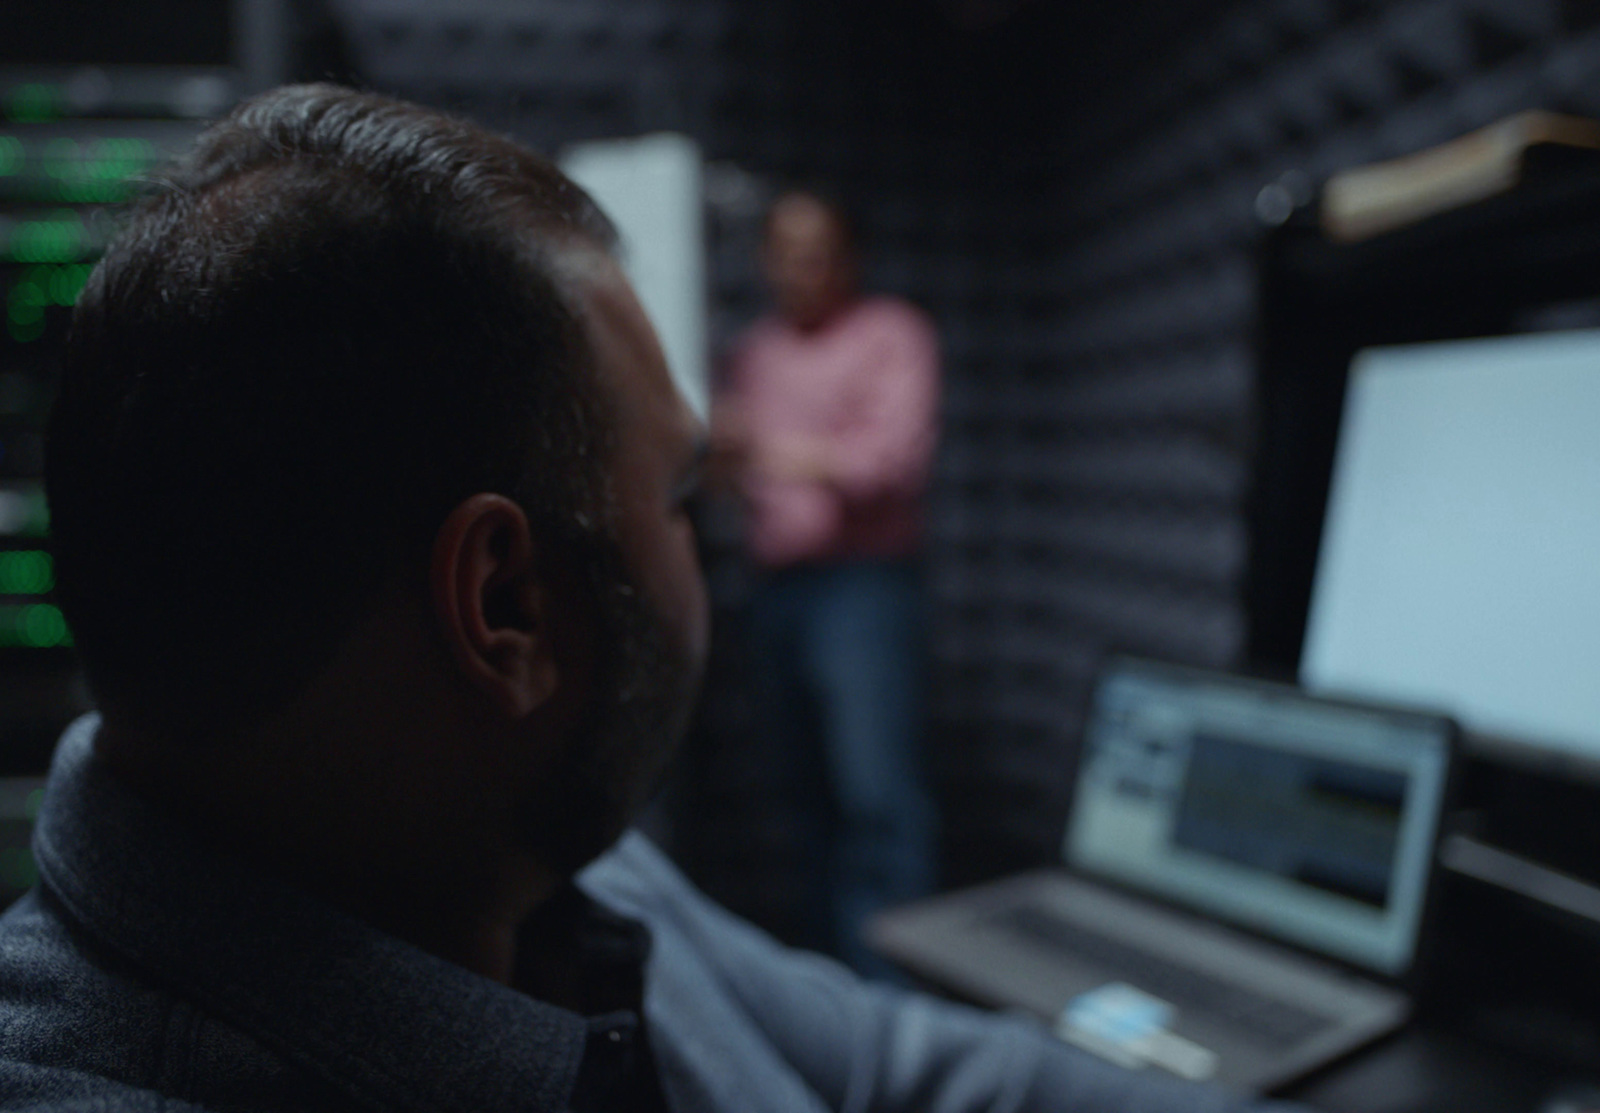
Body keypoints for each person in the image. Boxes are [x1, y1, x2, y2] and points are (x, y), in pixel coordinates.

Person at [0, 85, 1287, 1113]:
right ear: (505, 608)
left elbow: (903, 1063)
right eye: (675, 495)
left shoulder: (533, 859)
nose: (693, 535)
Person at [714, 191, 940, 975]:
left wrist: (765, 451)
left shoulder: (891, 334)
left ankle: (892, 1001)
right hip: (775, 592)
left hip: (863, 589)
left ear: (848, 256)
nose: (800, 268)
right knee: (802, 800)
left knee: (877, 802)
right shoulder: (753, 352)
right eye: (785, 249)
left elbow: (888, 464)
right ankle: (829, 992)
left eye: (817, 250)